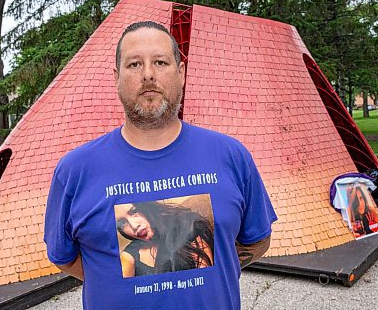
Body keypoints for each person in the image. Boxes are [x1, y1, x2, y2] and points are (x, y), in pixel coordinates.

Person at [44, 21, 277, 309]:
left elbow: (257, 240)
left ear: (181, 74)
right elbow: (64, 257)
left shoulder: (231, 155)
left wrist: (217, 267)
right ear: (116, 78)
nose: (148, 75)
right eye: (134, 65)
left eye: (160, 62)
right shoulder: (74, 171)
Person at [115, 201, 214, 277]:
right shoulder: (129, 254)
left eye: (134, 211)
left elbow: (206, 282)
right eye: (123, 223)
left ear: (145, 206)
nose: (134, 225)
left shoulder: (186, 224)